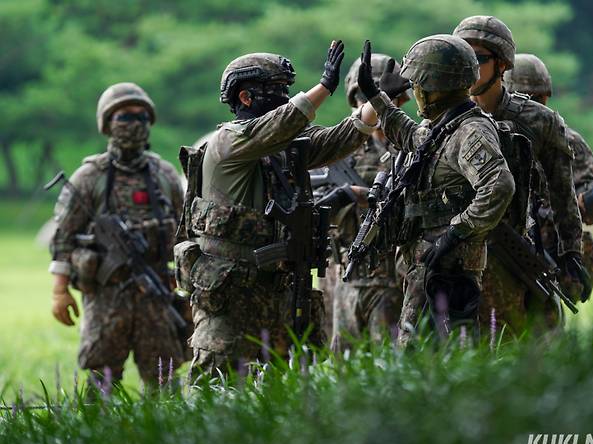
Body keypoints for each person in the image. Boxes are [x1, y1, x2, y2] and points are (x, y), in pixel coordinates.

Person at [175, 41, 380, 377]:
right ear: (245, 97)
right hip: (230, 292)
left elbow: (340, 138)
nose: (284, 97)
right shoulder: (230, 141)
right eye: (274, 90)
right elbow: (284, 122)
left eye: (286, 90)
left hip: (274, 290)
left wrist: (376, 98)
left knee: (278, 392)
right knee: (217, 386)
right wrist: (325, 86)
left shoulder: (281, 148)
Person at [357, 36, 515, 345]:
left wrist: (455, 233)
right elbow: (410, 136)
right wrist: (376, 96)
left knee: (421, 353)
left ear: (434, 87)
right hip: (430, 265)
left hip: (449, 269)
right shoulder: (443, 126)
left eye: (417, 84)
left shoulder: (470, 132)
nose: (414, 91)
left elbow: (498, 185)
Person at [454, 16, 585, 334]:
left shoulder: (538, 121)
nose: (470, 68)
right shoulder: (444, 118)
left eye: (479, 59)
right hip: (452, 251)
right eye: (463, 59)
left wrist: (570, 251)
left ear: (501, 65)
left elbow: (562, 191)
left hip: (509, 252)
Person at [49, 82, 185, 388]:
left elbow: (183, 231)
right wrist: (60, 290)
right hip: (106, 296)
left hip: (156, 293)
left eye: (141, 118)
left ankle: (168, 434)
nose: (134, 125)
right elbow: (64, 236)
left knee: (165, 379)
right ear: (107, 123)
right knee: (102, 379)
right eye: (125, 117)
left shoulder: (163, 175)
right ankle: (96, 435)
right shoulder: (90, 176)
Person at [504, 53, 593, 300]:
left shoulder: (564, 138)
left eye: (537, 98)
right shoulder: (486, 132)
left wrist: (571, 204)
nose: (532, 106)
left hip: (546, 248)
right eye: (525, 98)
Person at [323, 54, 410, 351]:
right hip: (343, 280)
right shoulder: (339, 149)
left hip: (394, 281)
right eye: (364, 97)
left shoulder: (409, 146)